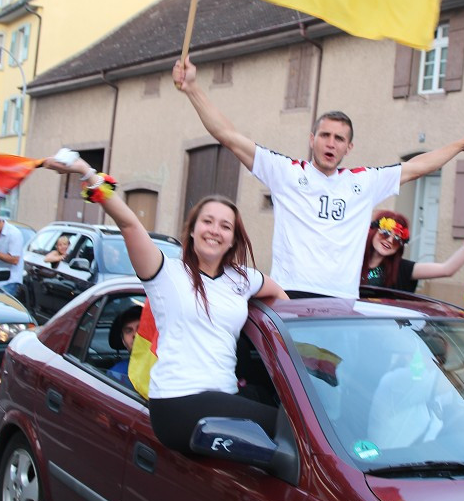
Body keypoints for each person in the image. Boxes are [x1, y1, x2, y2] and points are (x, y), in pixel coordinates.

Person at [173, 56, 464, 298]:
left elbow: (418, 167)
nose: (330, 143)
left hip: (340, 301)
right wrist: (192, 89)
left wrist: (461, 144)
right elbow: (227, 135)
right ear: (312, 139)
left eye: (339, 138)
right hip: (289, 294)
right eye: (324, 135)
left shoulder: (363, 183)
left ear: (349, 147)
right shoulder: (285, 173)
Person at [43, 150, 288, 454]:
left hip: (222, 401)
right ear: (193, 229)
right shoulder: (165, 272)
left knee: (274, 408)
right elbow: (129, 223)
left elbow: (280, 295)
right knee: (288, 429)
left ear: (234, 238)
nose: (215, 230)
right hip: (178, 404)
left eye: (225, 226)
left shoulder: (242, 279)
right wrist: (84, 171)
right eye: (207, 221)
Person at [361, 210, 464, 293]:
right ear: (373, 231)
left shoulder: (403, 269)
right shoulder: (351, 259)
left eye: (397, 239)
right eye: (385, 233)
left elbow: (446, 269)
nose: (390, 240)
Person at [106, 303, 142, 390]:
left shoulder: (168, 365)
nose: (135, 335)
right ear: (123, 341)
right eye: (129, 331)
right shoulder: (115, 375)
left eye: (140, 328)